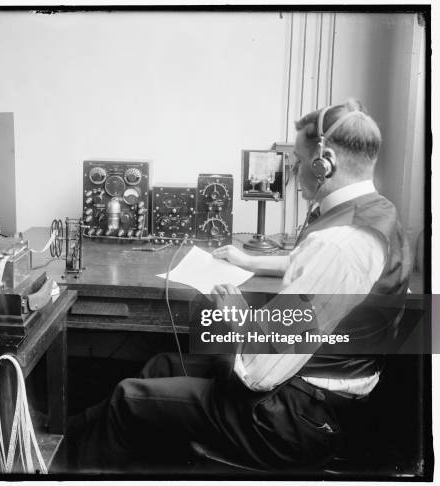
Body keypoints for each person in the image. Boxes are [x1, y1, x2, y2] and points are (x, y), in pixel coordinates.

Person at [67, 99, 411, 472]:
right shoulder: (377, 214)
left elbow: (259, 371)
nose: (295, 171)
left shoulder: (339, 244)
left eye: (298, 159)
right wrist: (251, 261)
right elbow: (326, 272)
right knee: (160, 365)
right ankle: (73, 438)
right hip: (312, 395)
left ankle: (78, 468)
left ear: (324, 162)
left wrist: (236, 315)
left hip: (290, 418)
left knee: (127, 397)